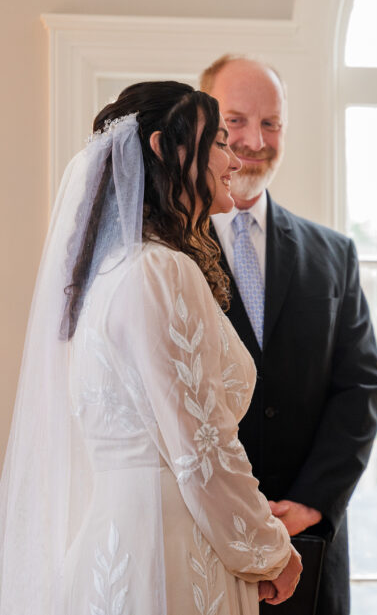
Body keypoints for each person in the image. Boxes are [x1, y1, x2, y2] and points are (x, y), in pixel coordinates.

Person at [0, 81, 303, 614]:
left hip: (117, 544)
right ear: (166, 148)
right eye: (219, 144)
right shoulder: (161, 270)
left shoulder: (110, 273)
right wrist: (272, 551)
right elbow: (202, 449)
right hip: (171, 554)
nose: (233, 162)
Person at [200, 55, 377, 615]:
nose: (255, 140)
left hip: (309, 544)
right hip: (204, 539)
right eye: (235, 121)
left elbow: (359, 388)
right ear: (203, 125)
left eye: (271, 123)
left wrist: (309, 502)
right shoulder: (164, 253)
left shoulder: (333, 253)